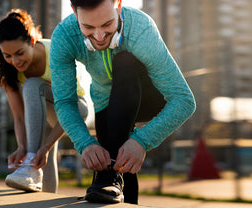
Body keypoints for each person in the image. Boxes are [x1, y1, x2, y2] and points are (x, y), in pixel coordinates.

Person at [50, 0, 196, 204]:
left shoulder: (140, 28)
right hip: (105, 102)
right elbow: (65, 101)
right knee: (115, 164)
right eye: (88, 27)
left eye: (107, 24)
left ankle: (108, 177)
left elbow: (184, 100)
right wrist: (85, 144)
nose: (99, 37)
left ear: (118, 4)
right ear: (74, 12)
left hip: (150, 96)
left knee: (124, 60)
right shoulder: (64, 36)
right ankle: (114, 186)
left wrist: (142, 141)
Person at [0, 9, 88, 193]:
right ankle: (36, 176)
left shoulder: (56, 52)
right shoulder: (8, 70)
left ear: (32, 42)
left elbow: (69, 108)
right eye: (7, 55)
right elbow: (19, 117)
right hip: (46, 112)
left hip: (75, 108)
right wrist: (22, 146)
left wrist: (46, 145)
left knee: (32, 84)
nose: (15, 61)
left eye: (20, 53)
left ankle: (31, 159)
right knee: (43, 161)